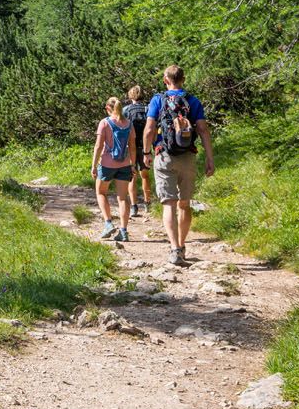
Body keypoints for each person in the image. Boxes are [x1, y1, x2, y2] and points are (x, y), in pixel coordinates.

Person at [143, 65, 215, 265]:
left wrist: (146, 152)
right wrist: (210, 158)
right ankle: (182, 246)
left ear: (166, 80)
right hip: (187, 157)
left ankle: (174, 248)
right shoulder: (193, 101)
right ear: (183, 79)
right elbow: (203, 129)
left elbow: (149, 128)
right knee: (184, 203)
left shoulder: (158, 100)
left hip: (164, 155)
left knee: (169, 204)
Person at [91, 96, 136, 243]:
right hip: (124, 164)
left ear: (108, 108)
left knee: (101, 192)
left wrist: (93, 165)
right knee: (123, 198)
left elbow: (98, 146)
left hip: (106, 164)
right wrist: (133, 164)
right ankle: (123, 231)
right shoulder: (128, 123)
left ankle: (108, 223)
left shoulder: (104, 123)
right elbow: (133, 146)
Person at [122, 86, 152, 216]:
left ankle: (134, 206)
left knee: (132, 176)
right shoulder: (148, 109)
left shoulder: (126, 110)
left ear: (130, 96)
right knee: (145, 175)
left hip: (131, 147)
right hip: (145, 147)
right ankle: (147, 203)